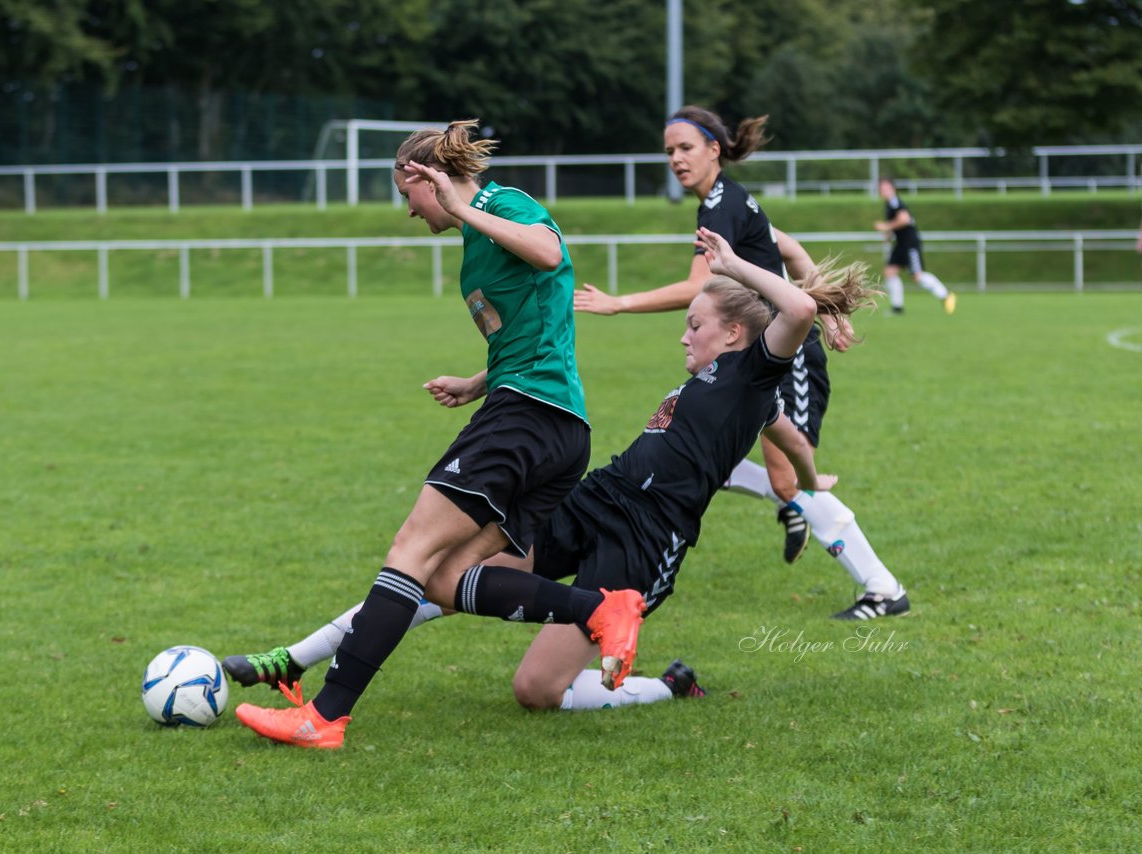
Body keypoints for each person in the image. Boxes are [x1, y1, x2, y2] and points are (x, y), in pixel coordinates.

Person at [225, 229, 870, 716]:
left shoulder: (756, 370)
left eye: (693, 325)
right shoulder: (733, 385)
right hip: (599, 499)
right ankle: (296, 657)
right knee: (444, 572)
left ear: (733, 333)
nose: (683, 337)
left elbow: (800, 314)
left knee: (534, 691)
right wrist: (811, 478)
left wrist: (730, 265)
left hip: (644, 542)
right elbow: (786, 435)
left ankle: (668, 684)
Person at [232, 120, 646, 750]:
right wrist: (479, 381)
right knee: (445, 579)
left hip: (528, 419)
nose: (408, 211)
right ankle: (598, 609)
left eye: (409, 194)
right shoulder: (477, 236)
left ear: (432, 181)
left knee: (411, 549)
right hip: (549, 421)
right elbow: (538, 320)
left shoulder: (499, 204)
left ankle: (325, 715)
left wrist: (461, 205)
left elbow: (550, 253)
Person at [573, 106, 908, 620]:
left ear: (714, 148)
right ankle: (793, 508)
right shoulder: (726, 199)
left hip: (780, 356)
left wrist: (618, 303)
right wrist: (829, 308)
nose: (676, 160)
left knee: (786, 479)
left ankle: (883, 588)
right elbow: (790, 249)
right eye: (668, 152)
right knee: (717, 453)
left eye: (685, 148)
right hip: (757, 353)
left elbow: (695, 287)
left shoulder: (720, 205)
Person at [875, 177, 957, 315]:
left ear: (893, 189)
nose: (883, 191)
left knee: (917, 276)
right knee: (890, 272)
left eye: (886, 188)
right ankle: (897, 308)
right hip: (900, 245)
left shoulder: (896, 202)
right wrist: (888, 234)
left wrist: (886, 226)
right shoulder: (889, 205)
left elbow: (904, 219)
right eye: (881, 189)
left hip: (909, 245)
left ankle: (946, 295)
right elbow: (896, 223)